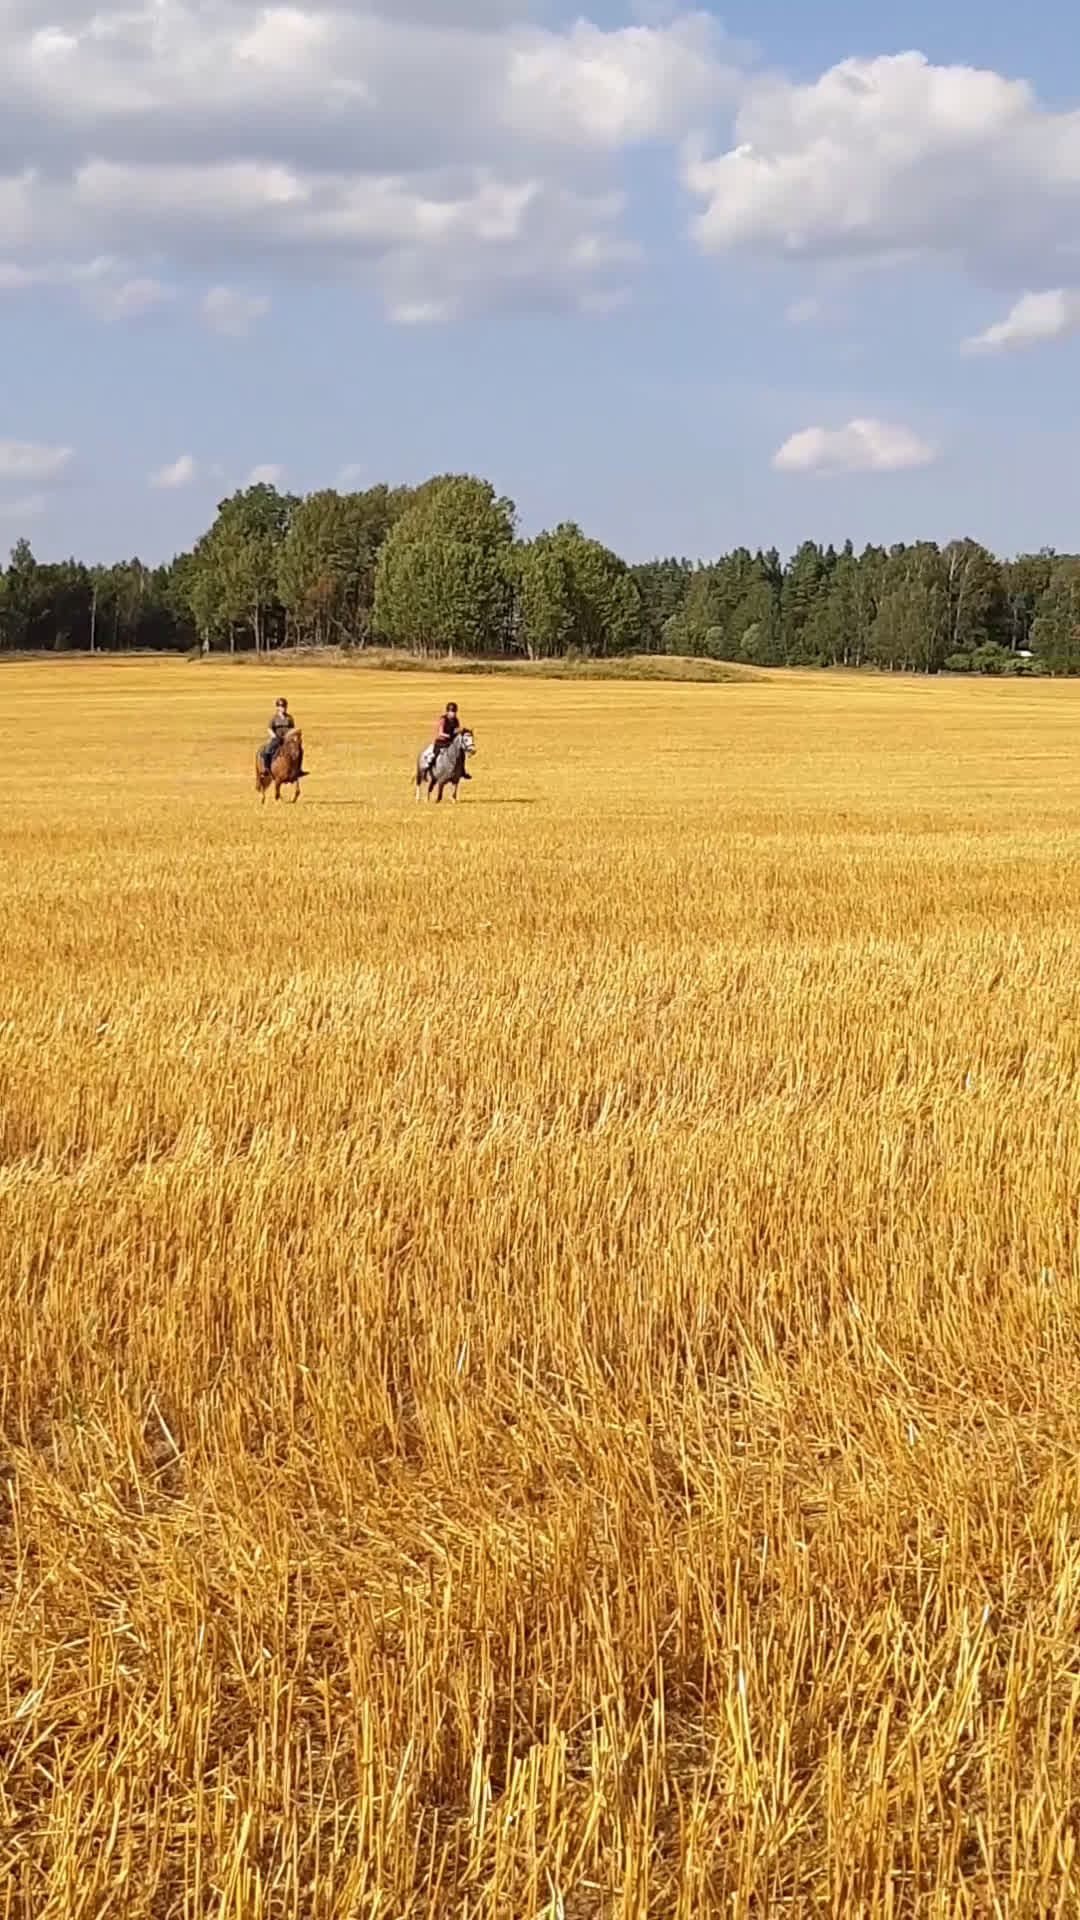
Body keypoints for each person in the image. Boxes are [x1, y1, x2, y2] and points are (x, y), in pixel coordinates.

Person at [259, 697, 303, 774]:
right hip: (277, 738)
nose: (283, 708)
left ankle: (298, 769)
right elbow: (269, 728)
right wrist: (274, 736)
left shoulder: (289, 718)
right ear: (277, 707)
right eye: (281, 706)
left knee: (299, 751)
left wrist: (294, 737)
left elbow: (292, 728)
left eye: (284, 706)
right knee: (267, 750)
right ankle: (267, 768)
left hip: (288, 739)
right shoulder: (274, 718)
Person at [432, 701, 470, 777]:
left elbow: (456, 730)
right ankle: (431, 768)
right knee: (435, 753)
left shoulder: (456, 720)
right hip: (441, 741)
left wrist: (461, 732)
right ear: (448, 712)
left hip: (450, 742)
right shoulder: (443, 720)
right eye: (452, 712)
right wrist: (449, 735)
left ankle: (462, 771)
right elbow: (440, 733)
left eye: (455, 712)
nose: (454, 713)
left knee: (461, 753)